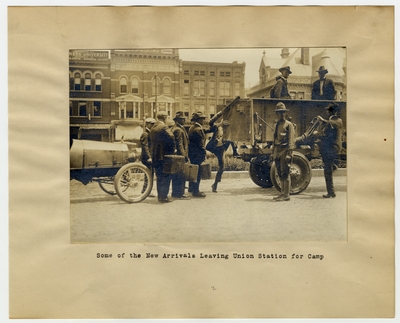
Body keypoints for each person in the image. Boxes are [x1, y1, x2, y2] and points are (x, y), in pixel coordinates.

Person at [206, 109, 240, 193]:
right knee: (221, 167)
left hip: (222, 148)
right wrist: (220, 123)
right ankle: (215, 185)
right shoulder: (217, 126)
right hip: (216, 148)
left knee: (222, 168)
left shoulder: (229, 128)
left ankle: (215, 184)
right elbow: (210, 122)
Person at [315, 103, 343, 198]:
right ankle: (334, 166)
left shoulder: (337, 121)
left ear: (334, 111)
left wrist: (317, 133)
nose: (327, 112)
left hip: (332, 149)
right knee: (328, 168)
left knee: (327, 171)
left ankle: (331, 192)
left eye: (329, 110)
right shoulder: (333, 121)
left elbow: (331, 126)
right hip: (332, 149)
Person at [150, 111, 176, 203]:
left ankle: (160, 196)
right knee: (166, 176)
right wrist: (173, 149)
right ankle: (164, 197)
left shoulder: (153, 128)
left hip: (155, 156)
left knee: (159, 176)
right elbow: (171, 136)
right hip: (164, 156)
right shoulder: (164, 127)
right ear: (164, 117)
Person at [272, 102, 295, 201]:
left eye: (283, 112)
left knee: (285, 173)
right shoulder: (277, 124)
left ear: (285, 113)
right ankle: (282, 193)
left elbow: (291, 140)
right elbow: (275, 139)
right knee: (280, 173)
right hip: (278, 151)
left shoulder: (289, 125)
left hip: (285, 151)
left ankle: (286, 195)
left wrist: (289, 154)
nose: (281, 114)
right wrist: (273, 153)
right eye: (279, 112)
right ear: (277, 114)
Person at [188, 111, 207, 197]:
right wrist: (204, 153)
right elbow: (201, 144)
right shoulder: (198, 129)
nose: (203, 120)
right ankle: (196, 191)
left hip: (192, 154)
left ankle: (191, 188)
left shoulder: (192, 128)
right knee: (198, 173)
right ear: (198, 120)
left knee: (193, 171)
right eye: (202, 119)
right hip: (198, 154)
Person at [171, 111, 190, 199]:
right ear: (178, 120)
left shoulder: (175, 128)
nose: (184, 120)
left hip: (177, 156)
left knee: (176, 175)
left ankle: (176, 192)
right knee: (180, 175)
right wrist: (184, 156)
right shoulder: (178, 129)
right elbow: (180, 145)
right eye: (182, 119)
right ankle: (179, 193)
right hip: (179, 157)